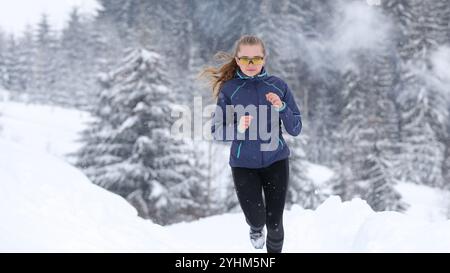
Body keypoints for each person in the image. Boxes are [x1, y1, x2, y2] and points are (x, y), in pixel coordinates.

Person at [200, 35, 302, 253]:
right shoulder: (230, 90)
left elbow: (296, 128)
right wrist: (237, 127)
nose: (251, 64)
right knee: (257, 219)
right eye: (245, 59)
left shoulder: (278, 86)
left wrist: (282, 107)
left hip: (276, 161)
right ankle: (255, 229)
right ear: (237, 60)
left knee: (275, 224)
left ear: (264, 59)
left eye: (256, 58)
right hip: (243, 165)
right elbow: (216, 132)